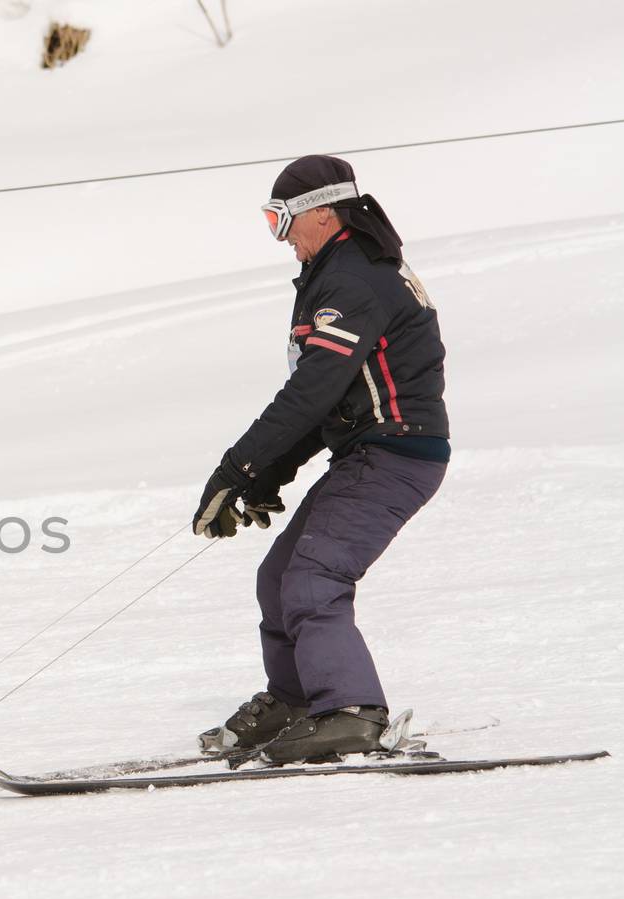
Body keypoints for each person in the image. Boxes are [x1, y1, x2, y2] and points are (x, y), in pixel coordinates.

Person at [192, 155, 450, 764]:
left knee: (314, 579)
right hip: (371, 449)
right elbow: (330, 399)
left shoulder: (352, 280)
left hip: (394, 452)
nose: (281, 236)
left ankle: (353, 713)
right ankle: (298, 697)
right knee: (279, 578)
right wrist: (268, 473)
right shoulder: (339, 272)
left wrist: (239, 469)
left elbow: (311, 392)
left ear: (323, 212)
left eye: (282, 220)